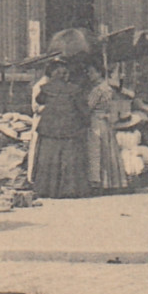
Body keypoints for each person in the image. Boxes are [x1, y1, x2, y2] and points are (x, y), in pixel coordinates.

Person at [32, 62, 90, 198]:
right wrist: (86, 122)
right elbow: (83, 110)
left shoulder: (46, 88)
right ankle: (69, 190)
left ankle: (46, 189)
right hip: (70, 129)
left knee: (49, 158)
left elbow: (40, 100)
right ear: (65, 75)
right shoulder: (75, 90)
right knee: (69, 159)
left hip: (49, 129)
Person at [85, 67, 129, 194]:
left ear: (99, 73)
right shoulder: (109, 89)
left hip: (96, 121)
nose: (89, 74)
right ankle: (111, 182)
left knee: (96, 152)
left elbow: (88, 106)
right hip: (106, 122)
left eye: (92, 72)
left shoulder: (97, 90)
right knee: (109, 151)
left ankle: (97, 182)